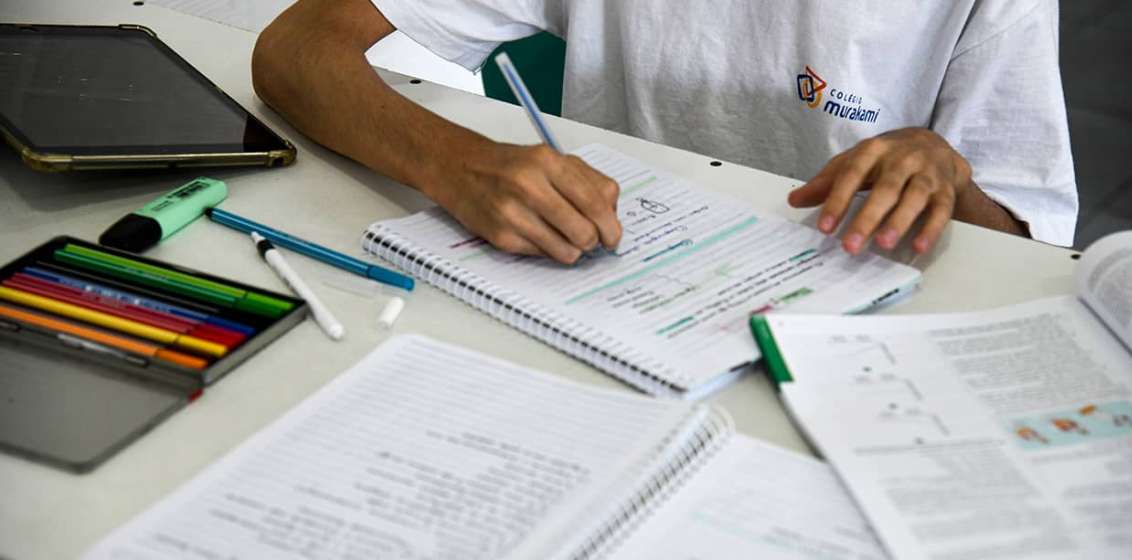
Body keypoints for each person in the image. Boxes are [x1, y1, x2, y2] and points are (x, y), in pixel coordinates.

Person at [252, 0, 1078, 265]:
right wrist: (455, 163)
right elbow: (297, 46)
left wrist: (946, 171)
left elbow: (1027, 243)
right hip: (614, 276)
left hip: (853, 307)